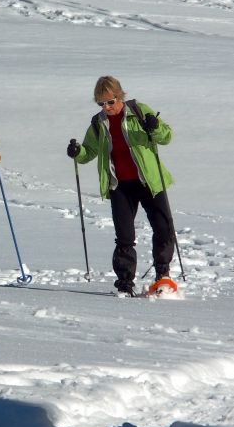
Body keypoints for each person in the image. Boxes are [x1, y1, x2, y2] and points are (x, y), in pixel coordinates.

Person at [67, 76, 176, 296]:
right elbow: (89, 151)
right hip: (120, 185)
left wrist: (153, 128)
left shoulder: (138, 111)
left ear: (120, 95)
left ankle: (163, 275)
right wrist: (78, 153)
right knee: (124, 236)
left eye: (110, 101)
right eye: (101, 103)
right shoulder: (99, 123)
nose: (106, 107)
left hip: (149, 181)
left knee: (163, 227)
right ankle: (125, 283)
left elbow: (166, 136)